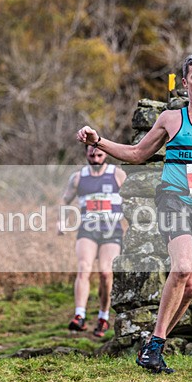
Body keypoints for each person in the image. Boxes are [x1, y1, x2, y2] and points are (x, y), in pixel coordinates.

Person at [76, 53, 192, 373]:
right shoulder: (171, 119)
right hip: (174, 198)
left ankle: (153, 345)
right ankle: (154, 346)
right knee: (182, 267)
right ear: (185, 83)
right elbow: (137, 153)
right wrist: (99, 141)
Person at [59, 144, 126, 338]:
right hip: (87, 230)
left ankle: (103, 317)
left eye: (99, 155)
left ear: (105, 154)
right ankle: (79, 316)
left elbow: (131, 197)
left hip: (112, 231)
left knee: (106, 273)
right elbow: (65, 200)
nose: (96, 159)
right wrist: (61, 221)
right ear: (86, 154)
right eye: (92, 155)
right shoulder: (78, 177)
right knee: (83, 268)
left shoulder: (117, 174)